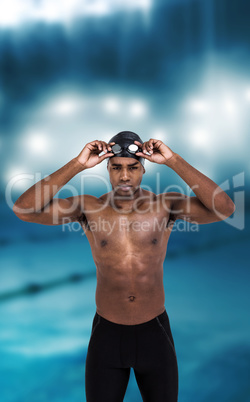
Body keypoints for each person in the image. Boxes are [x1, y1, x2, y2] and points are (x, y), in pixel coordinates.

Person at [13, 131, 235, 402]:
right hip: (107, 332)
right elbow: (24, 210)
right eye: (116, 167)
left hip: (154, 332)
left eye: (132, 168)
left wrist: (174, 160)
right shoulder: (88, 207)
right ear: (106, 168)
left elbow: (224, 208)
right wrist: (77, 164)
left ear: (144, 169)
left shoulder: (166, 205)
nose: (125, 176)